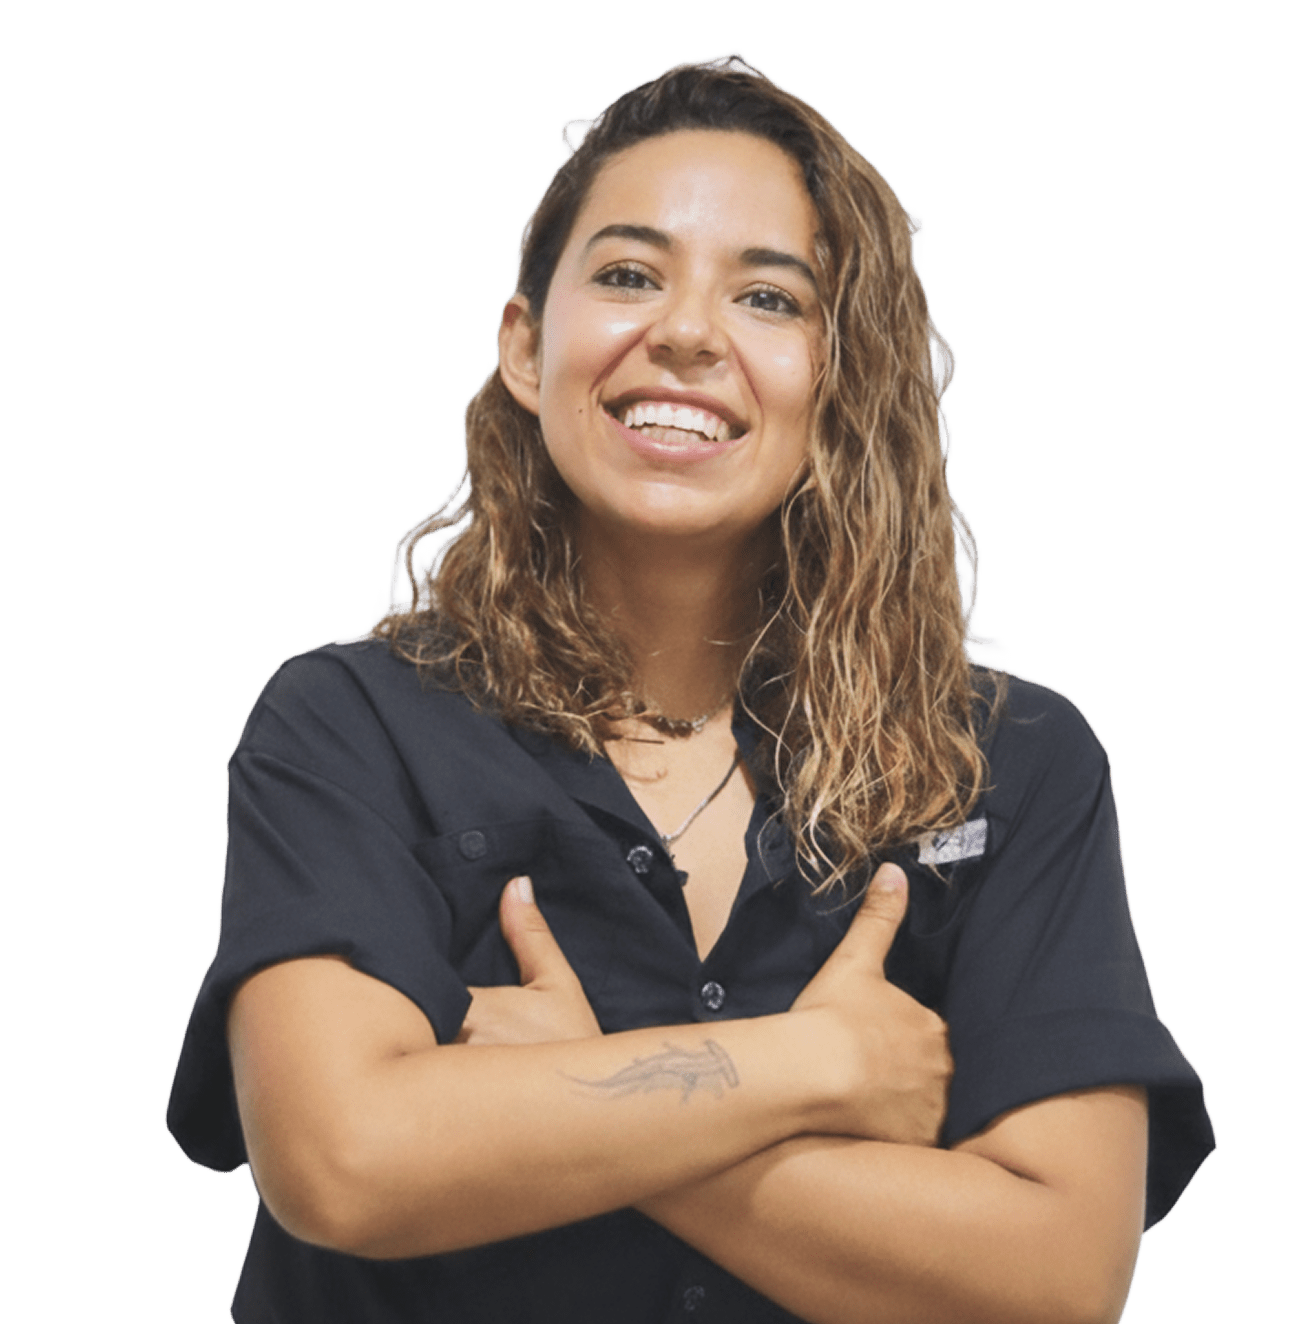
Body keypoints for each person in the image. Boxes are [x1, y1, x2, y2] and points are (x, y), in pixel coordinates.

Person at [166, 53, 1213, 1324]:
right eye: (626, 275)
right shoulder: (346, 726)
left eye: (769, 297)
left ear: (843, 373)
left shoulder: (1011, 763)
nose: (685, 331)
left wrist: (568, 1094)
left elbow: (1053, 1278)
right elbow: (345, 1161)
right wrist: (815, 1065)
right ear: (523, 345)